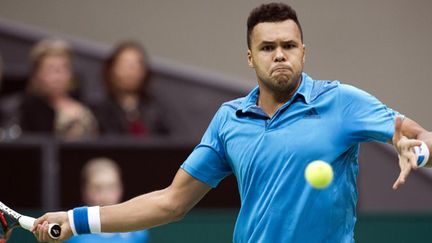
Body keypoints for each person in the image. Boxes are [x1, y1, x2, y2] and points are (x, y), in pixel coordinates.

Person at [33, 3, 432, 243]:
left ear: (303, 53)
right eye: (268, 47)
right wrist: (75, 220)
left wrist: (418, 149)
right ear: (250, 57)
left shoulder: (341, 102)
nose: (280, 55)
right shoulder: (229, 120)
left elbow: (419, 136)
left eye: (289, 46)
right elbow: (170, 202)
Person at [19, 38, 97, 140]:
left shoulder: (85, 103)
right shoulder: (27, 109)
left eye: (63, 68)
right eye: (51, 69)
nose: (58, 77)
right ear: (36, 74)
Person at [93, 41, 171, 137]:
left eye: (136, 65)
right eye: (125, 64)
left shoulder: (156, 108)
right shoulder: (99, 108)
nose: (130, 71)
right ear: (111, 69)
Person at [66, 158, 149, 243]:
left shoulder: (137, 231)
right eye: (97, 188)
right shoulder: (70, 230)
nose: (105, 196)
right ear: (85, 190)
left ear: (120, 188)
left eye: (111, 187)